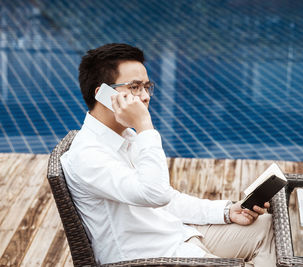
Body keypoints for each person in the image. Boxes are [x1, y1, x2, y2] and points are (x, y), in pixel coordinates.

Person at [60, 43, 276, 266]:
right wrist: (144, 125)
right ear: (103, 95)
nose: (145, 96)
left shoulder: (124, 136)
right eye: (134, 87)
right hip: (152, 258)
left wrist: (227, 212)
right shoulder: (88, 156)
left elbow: (167, 199)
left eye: (146, 87)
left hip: (180, 235)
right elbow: (156, 194)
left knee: (268, 227)